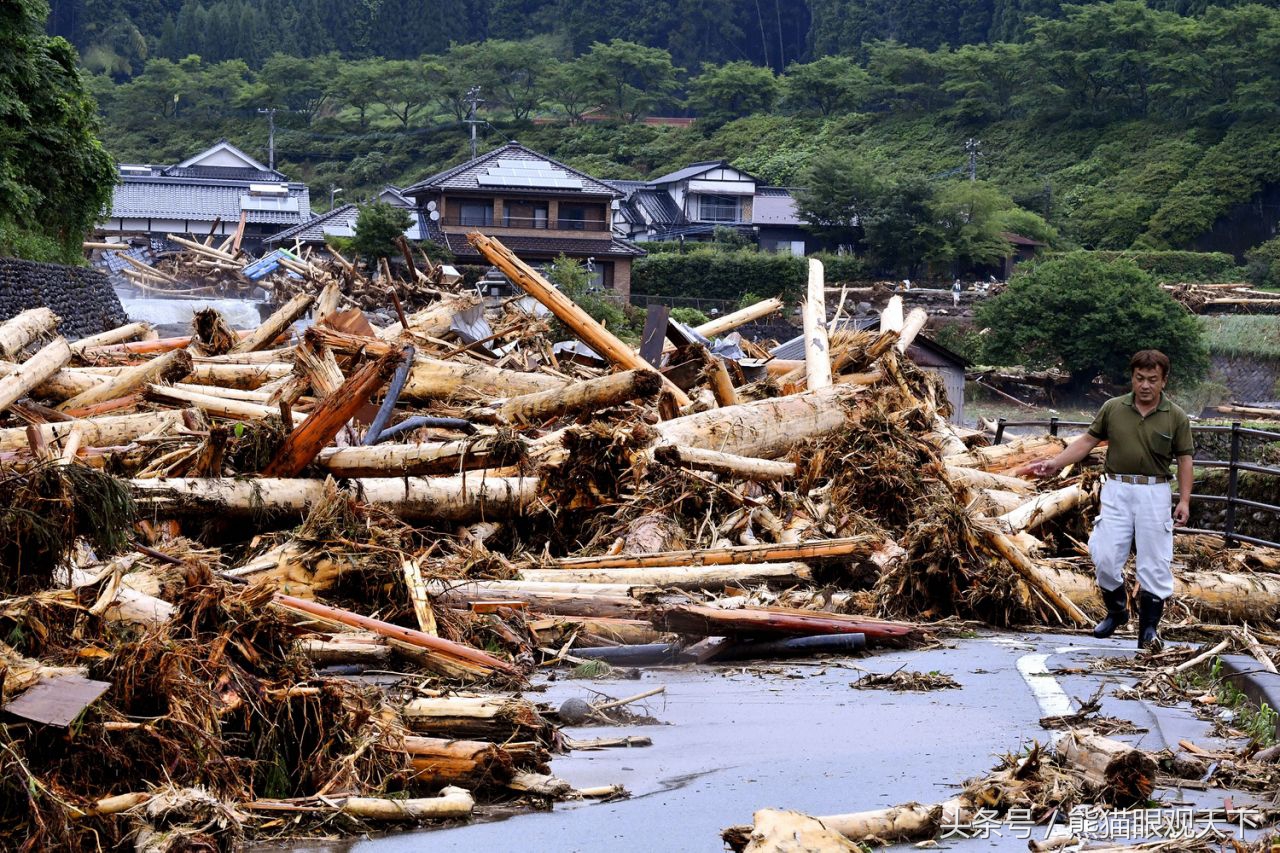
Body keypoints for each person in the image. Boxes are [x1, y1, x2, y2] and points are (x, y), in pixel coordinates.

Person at [1018, 350, 1194, 651]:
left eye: (1153, 380)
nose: (1145, 385)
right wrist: (1056, 463)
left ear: (1164, 381)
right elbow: (1087, 441)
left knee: (1155, 561)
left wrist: (1185, 501)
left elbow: (1185, 459)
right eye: (1140, 379)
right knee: (1104, 555)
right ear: (1132, 378)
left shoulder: (1175, 416)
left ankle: (1149, 630)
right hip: (1117, 488)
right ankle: (1117, 610)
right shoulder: (1113, 408)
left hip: (1155, 491)